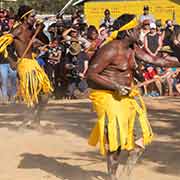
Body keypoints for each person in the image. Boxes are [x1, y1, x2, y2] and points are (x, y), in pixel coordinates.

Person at [86, 14, 180, 180]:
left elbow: (158, 61)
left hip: (129, 96)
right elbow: (91, 74)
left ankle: (125, 175)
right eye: (137, 28)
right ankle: (112, 177)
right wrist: (115, 86)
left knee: (139, 143)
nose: (140, 31)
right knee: (116, 141)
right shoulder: (111, 48)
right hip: (109, 97)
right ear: (128, 31)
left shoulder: (133, 49)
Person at [0, 5, 52, 128]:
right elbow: (3, 43)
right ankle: (26, 122)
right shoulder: (18, 30)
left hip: (34, 63)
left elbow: (46, 41)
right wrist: (12, 60)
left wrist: (41, 30)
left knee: (45, 94)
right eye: (32, 16)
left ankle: (36, 121)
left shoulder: (32, 30)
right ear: (25, 18)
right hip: (24, 65)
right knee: (32, 94)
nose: (34, 18)